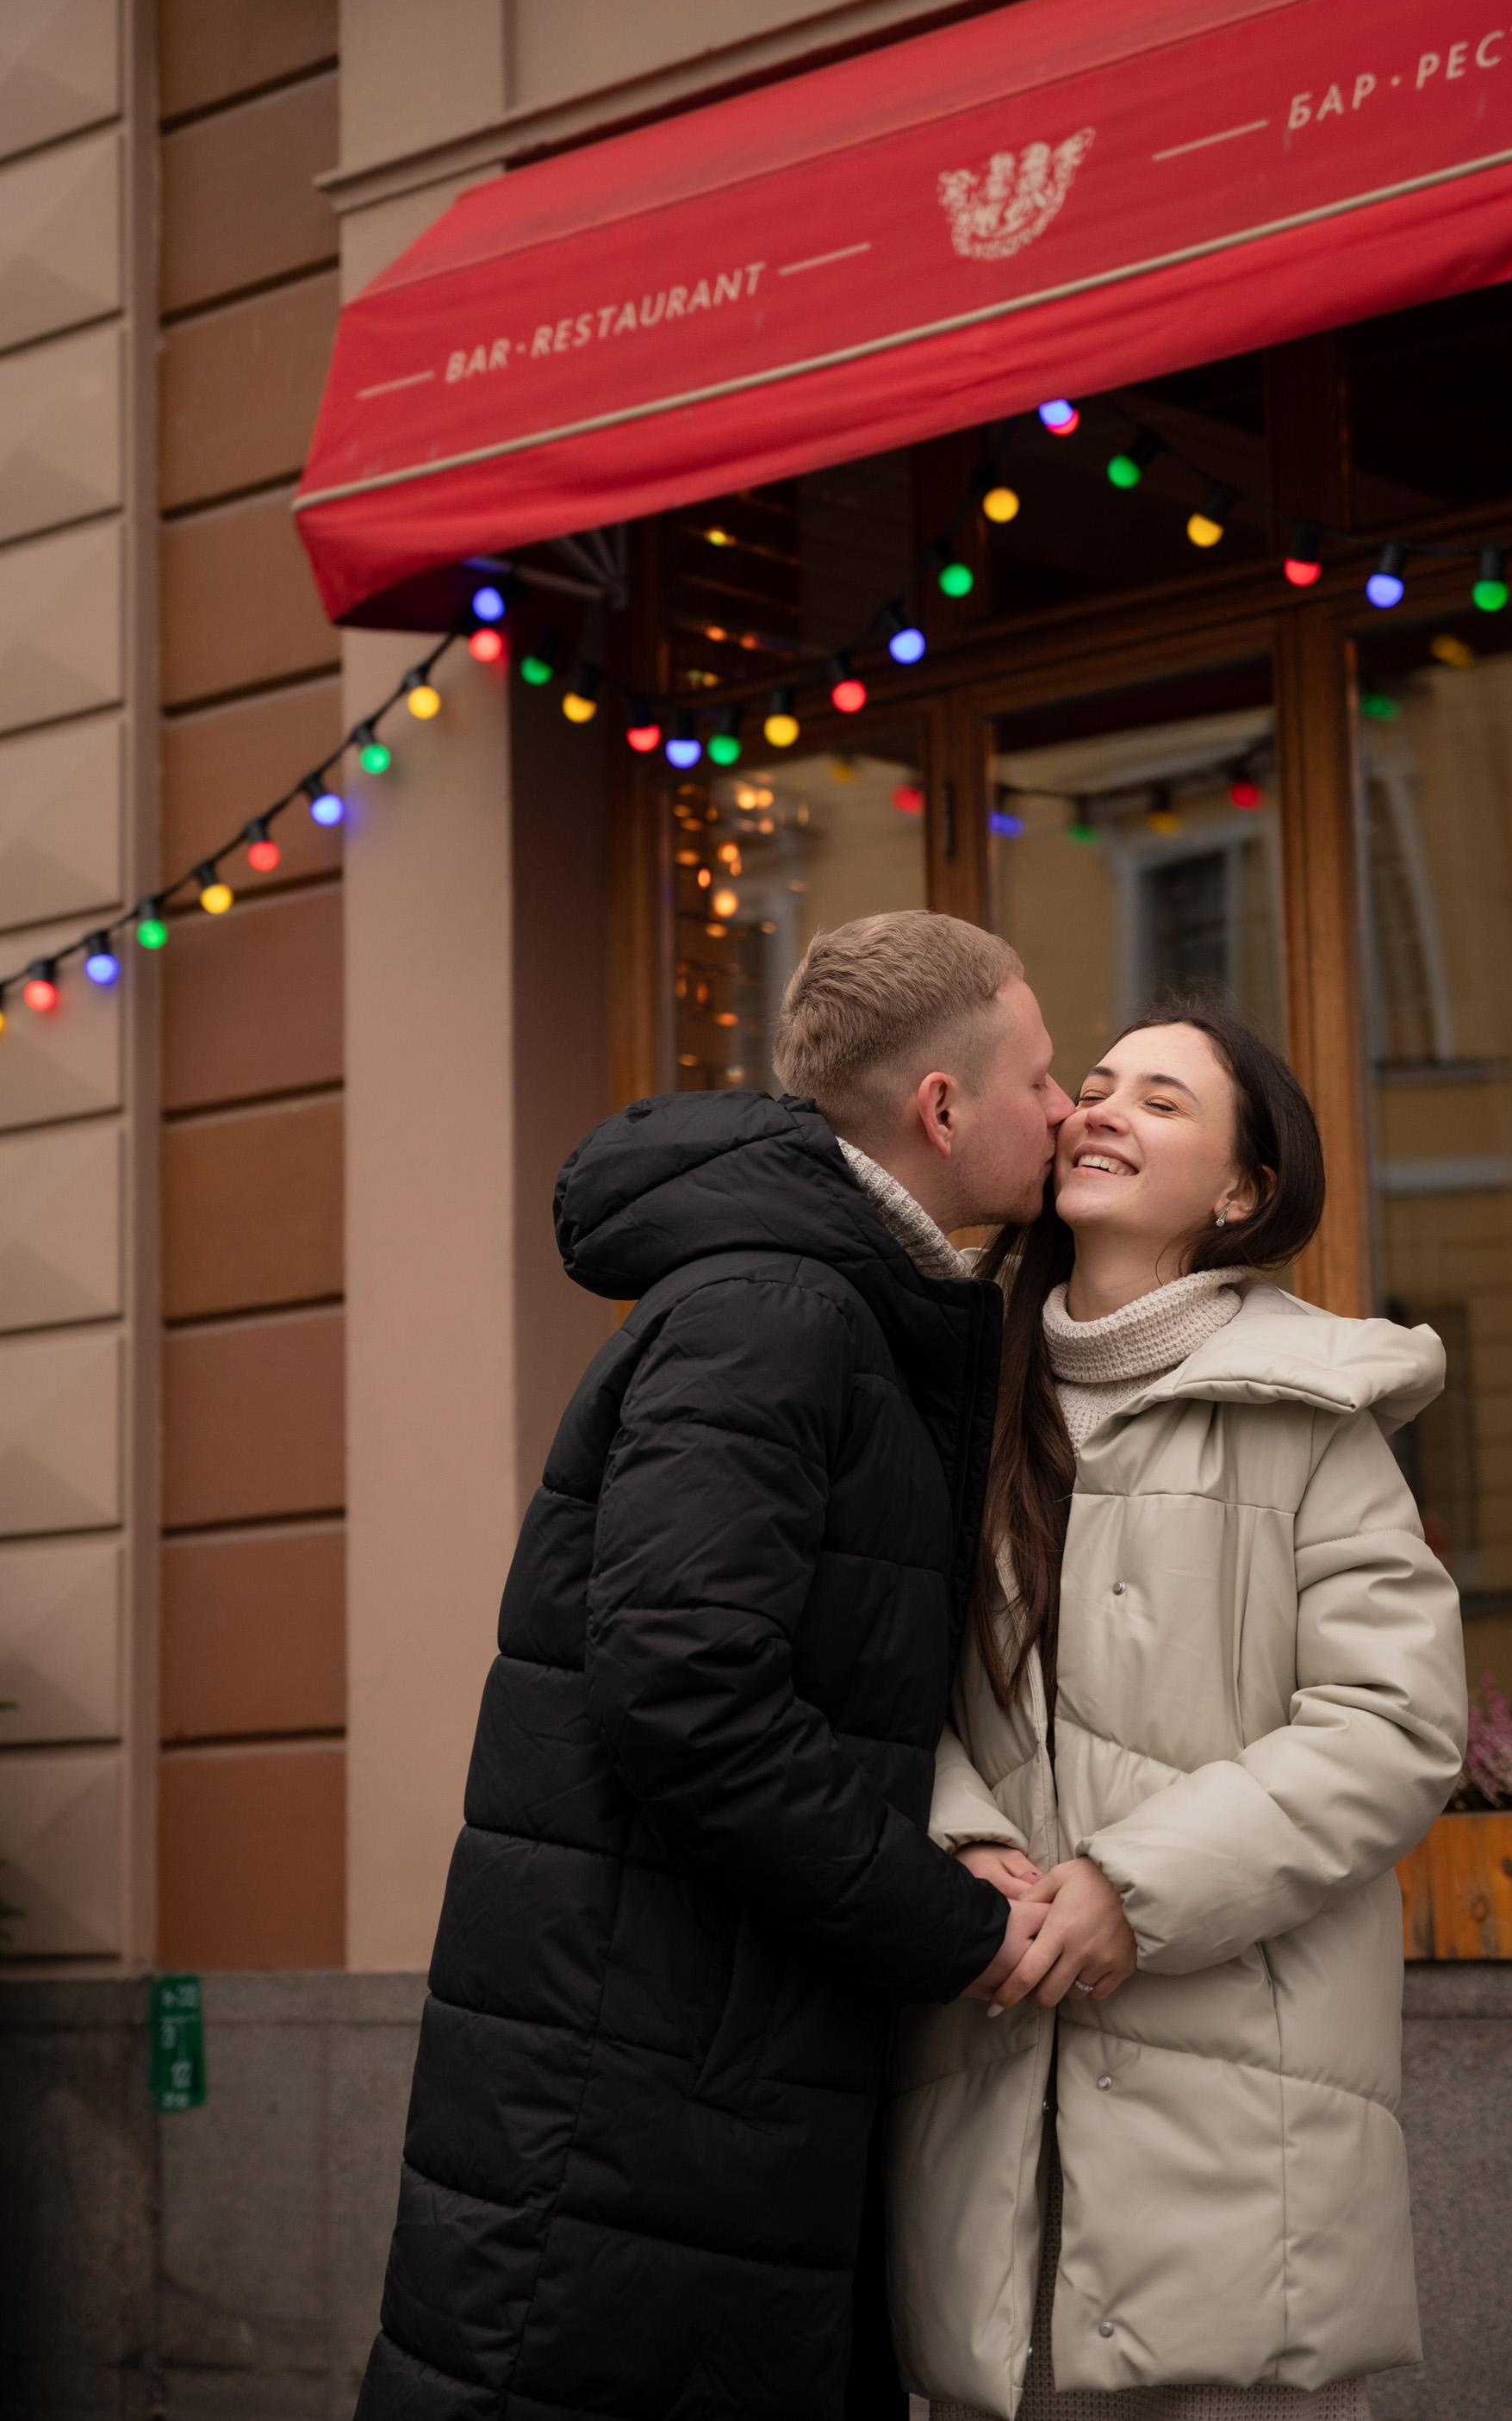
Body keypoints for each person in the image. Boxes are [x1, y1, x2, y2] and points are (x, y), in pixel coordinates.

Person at [353, 911, 1074, 2421]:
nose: (1065, 1114)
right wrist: (945, 1922)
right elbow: (684, 1693)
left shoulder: (835, 1304)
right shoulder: (778, 1313)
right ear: (942, 1113)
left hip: (688, 2083)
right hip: (638, 2108)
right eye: (1044, 1078)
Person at [887, 991, 1468, 2421]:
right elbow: (878, 1677)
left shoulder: (1313, 1415)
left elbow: (1391, 1726)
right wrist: (962, 1849)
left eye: (1161, 1099)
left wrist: (1133, 1889)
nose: (1103, 1111)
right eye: (1093, 1085)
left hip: (1239, 2136)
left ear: (1241, 1190)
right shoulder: (958, 1403)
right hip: (985, 2088)